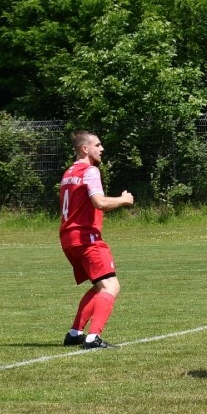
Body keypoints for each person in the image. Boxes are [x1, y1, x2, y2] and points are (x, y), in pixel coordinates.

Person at [59, 131, 134, 349]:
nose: (102, 149)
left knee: (99, 286)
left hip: (68, 237)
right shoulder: (90, 171)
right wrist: (123, 200)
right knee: (111, 286)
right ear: (85, 148)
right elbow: (99, 202)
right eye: (98, 145)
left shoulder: (69, 172)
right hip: (86, 237)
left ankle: (74, 333)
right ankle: (93, 338)